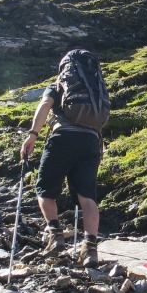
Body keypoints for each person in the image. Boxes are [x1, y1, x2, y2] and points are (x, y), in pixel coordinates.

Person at [20, 51, 104, 267]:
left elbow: (44, 106)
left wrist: (33, 135)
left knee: (45, 189)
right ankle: (90, 249)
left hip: (63, 138)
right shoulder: (96, 89)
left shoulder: (60, 85)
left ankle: (55, 234)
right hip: (91, 141)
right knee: (87, 196)